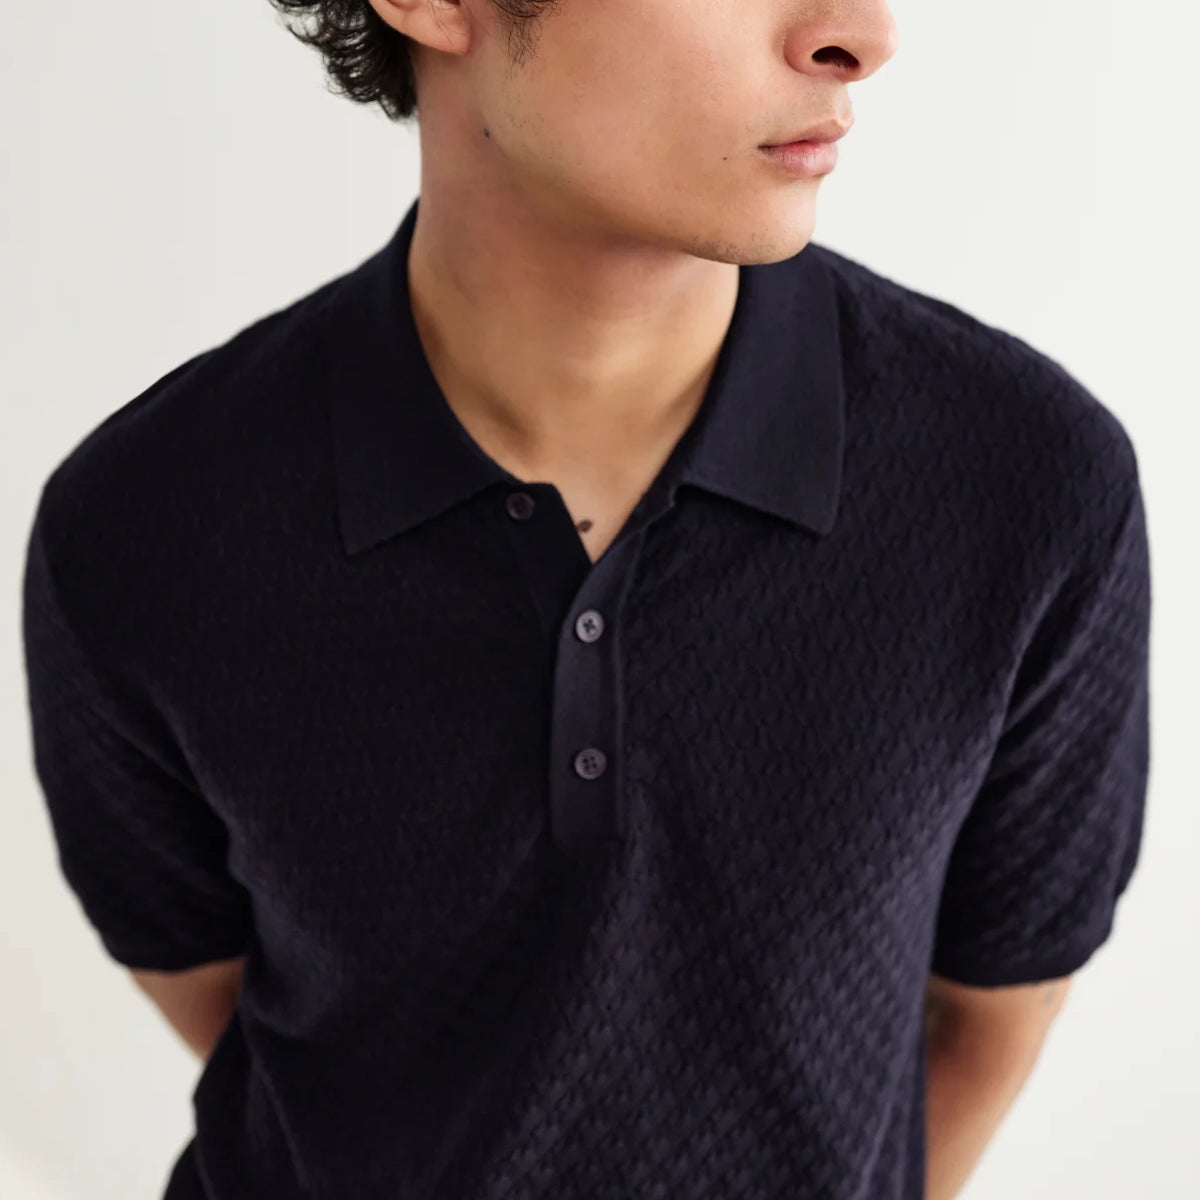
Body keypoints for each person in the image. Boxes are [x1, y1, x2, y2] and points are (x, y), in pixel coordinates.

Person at [20, 2, 1152, 1199]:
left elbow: (994, 1012)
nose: (861, 34)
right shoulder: (146, 524)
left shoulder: (1024, 485)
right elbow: (220, 992)